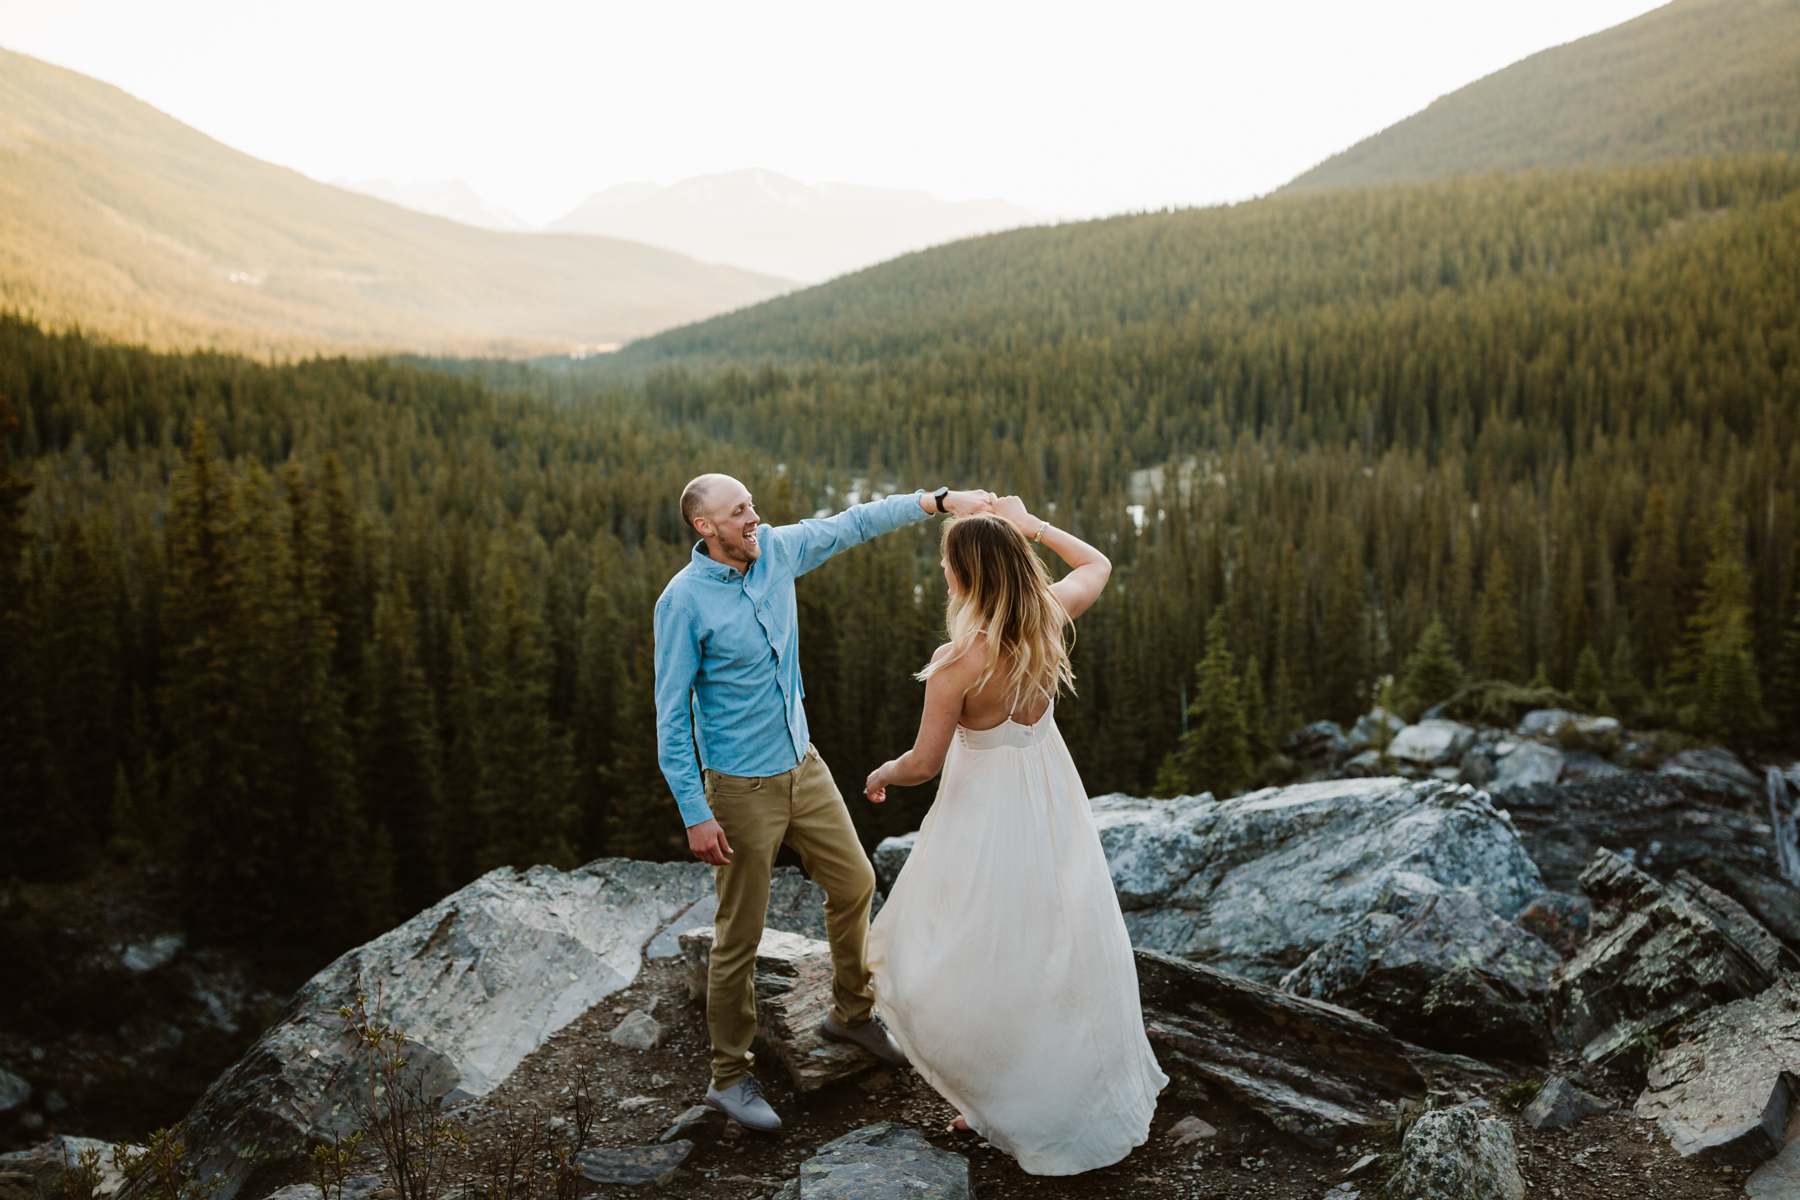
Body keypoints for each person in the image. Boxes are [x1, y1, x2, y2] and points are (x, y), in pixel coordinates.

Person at [653, 472, 996, 1133]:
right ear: (706, 527)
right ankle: (729, 1077)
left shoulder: (777, 550)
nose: (755, 517)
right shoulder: (683, 602)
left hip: (804, 768)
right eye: (739, 511)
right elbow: (670, 715)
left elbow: (855, 522)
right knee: (739, 935)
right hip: (738, 786)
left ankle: (852, 1015)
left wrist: (938, 503)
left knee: (856, 882)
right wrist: (694, 810)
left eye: (752, 505)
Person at [863, 497, 1169, 1175]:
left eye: (948, 565)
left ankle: (998, 1093)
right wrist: (1034, 526)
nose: (944, 575)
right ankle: (1056, 1086)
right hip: (1052, 801)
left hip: (985, 816)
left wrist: (883, 771)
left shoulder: (957, 663)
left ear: (965, 577)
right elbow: (1098, 561)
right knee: (1057, 939)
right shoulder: (1049, 619)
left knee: (974, 946)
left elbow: (924, 763)